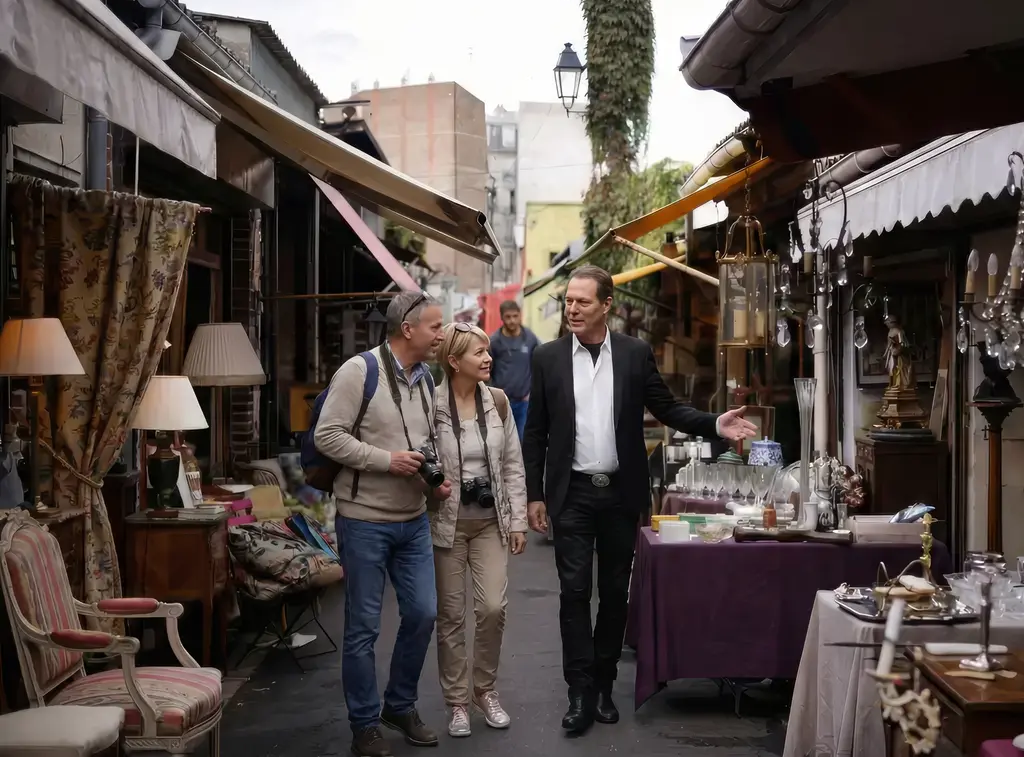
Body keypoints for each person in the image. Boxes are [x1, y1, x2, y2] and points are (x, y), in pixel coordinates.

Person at [522, 265, 758, 735]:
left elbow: (667, 409)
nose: (572, 308)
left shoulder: (634, 354)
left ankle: (605, 684)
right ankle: (578, 690)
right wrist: (533, 495)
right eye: (568, 300)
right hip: (571, 494)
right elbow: (536, 432)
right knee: (573, 594)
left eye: (582, 301)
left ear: (606, 305)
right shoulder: (547, 358)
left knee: (613, 594)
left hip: (620, 493)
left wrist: (715, 424)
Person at [314, 290, 453, 757]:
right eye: (435, 326)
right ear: (407, 329)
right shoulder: (359, 372)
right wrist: (384, 460)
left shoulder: (427, 379)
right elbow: (327, 436)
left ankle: (400, 704)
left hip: (412, 519)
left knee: (422, 614)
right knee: (363, 628)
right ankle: (364, 725)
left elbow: (423, 440)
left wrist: (434, 480)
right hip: (364, 520)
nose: (441, 334)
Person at [430, 322, 528, 738]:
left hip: (491, 522)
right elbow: (421, 459)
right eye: (478, 353)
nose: (489, 358)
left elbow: (512, 466)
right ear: (454, 362)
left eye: (488, 351)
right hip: (446, 523)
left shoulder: (500, 402)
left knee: (492, 609)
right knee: (450, 617)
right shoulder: (429, 404)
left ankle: (484, 689)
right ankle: (456, 702)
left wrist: (518, 520)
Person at [488, 300, 538, 439]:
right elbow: (487, 369)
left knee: (522, 439)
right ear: (502, 317)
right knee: (501, 440)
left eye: (515, 316)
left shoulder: (530, 338)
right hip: (501, 402)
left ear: (520, 315)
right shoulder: (495, 341)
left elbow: (538, 365)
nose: (512, 321)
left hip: (524, 402)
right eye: (508, 317)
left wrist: (532, 391)